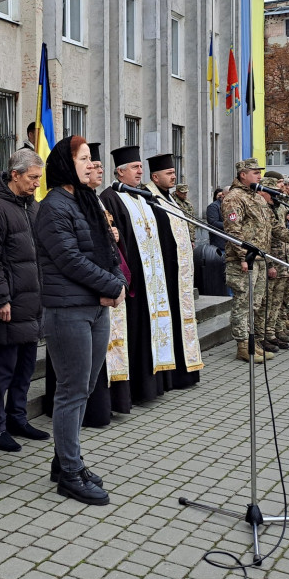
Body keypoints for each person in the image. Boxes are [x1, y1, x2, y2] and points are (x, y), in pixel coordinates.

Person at [35, 136, 126, 505]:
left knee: (85, 388)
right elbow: (70, 259)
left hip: (95, 306)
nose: (93, 164)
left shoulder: (85, 200)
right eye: (84, 159)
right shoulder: (53, 207)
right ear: (64, 165)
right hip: (67, 311)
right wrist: (112, 285)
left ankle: (64, 459)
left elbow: (107, 248)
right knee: (72, 391)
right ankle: (69, 474)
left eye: (92, 158)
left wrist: (115, 282)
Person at [0, 148, 48, 452]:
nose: (36, 184)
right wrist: (1, 298)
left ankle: (17, 416)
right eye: (32, 178)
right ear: (15, 174)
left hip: (33, 302)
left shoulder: (33, 207)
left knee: (26, 367)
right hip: (9, 304)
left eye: (39, 179)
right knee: (3, 369)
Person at [100, 146, 176, 405]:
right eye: (135, 167)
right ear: (120, 172)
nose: (140, 170)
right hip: (131, 283)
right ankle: (136, 390)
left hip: (151, 282)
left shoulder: (141, 195)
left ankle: (151, 386)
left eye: (141, 167)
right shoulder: (110, 197)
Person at [221, 159, 289, 362]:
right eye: (255, 172)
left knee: (255, 304)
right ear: (243, 174)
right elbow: (233, 231)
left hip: (261, 259)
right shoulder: (234, 198)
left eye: (259, 172)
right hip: (243, 261)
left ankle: (253, 343)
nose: (259, 176)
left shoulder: (258, 198)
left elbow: (273, 226)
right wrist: (244, 257)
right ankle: (243, 345)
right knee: (243, 303)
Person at [146, 154, 202, 389]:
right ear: (155, 177)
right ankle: (172, 375)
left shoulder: (171, 199)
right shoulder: (150, 199)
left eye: (174, 173)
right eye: (168, 174)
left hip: (180, 274)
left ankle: (185, 372)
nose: (173, 177)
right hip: (165, 274)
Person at [260, 171, 289, 351]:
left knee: (280, 299)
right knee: (268, 300)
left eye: (280, 186)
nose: (279, 190)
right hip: (270, 259)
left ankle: (273, 331)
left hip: (284, 257)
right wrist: (271, 264)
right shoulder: (261, 208)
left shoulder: (280, 207)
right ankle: (265, 334)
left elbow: (280, 230)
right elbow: (266, 238)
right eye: (274, 188)